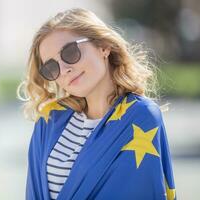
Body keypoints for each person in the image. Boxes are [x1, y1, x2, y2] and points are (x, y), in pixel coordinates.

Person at [17, 8, 176, 200]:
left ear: (103, 47)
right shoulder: (49, 119)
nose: (65, 69)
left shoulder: (141, 116)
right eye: (51, 67)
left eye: (70, 52)